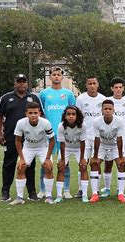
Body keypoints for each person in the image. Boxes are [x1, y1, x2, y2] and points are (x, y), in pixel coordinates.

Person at [0, 74, 41, 202]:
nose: (21, 84)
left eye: (24, 82)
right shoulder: (6, 98)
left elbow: (41, 115)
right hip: (11, 137)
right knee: (8, 164)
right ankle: (5, 192)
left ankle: (32, 192)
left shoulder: (33, 97)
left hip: (29, 138)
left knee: (30, 165)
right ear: (15, 83)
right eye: (19, 82)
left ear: (27, 83)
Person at [38, 66, 76, 199]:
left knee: (64, 162)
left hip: (63, 133)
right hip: (47, 133)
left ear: (62, 77)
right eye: (54, 74)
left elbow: (73, 111)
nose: (56, 77)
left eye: (58, 75)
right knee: (45, 161)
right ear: (50, 77)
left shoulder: (68, 93)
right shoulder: (43, 93)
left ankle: (66, 189)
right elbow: (40, 112)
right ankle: (42, 189)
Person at [10, 102, 55, 205]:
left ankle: (48, 196)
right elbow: (17, 140)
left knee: (48, 167)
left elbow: (52, 140)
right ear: (26, 114)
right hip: (28, 147)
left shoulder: (45, 123)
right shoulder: (21, 123)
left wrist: (48, 158)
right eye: (30, 113)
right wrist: (21, 158)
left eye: (35, 112)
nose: (33, 115)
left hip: (42, 147)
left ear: (39, 113)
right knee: (21, 167)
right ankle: (19, 197)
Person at [89, 99, 125, 203]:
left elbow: (119, 139)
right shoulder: (96, 121)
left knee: (122, 164)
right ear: (102, 110)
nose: (108, 111)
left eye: (110, 109)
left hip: (115, 145)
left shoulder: (119, 121)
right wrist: (95, 156)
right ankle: (95, 194)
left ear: (113, 110)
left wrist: (120, 156)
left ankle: (121, 194)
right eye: (105, 109)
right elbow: (96, 139)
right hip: (101, 145)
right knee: (94, 164)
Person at [75, 75, 106, 196]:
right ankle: (81, 189)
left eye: (94, 83)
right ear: (86, 85)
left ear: (98, 85)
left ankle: (96, 189)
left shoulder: (103, 99)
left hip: (98, 137)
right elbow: (78, 117)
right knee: (82, 163)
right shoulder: (81, 99)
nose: (92, 86)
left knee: (96, 163)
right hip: (84, 137)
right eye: (90, 84)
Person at [102, 77, 125, 198]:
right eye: (116, 87)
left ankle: (121, 190)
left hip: (122, 137)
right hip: (108, 137)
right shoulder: (107, 101)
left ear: (123, 88)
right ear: (112, 89)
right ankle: (107, 189)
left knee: (122, 163)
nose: (118, 89)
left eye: (120, 87)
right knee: (108, 163)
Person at [55, 106, 89, 203]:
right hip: (66, 148)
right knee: (61, 168)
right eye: (68, 114)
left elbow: (83, 142)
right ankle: (58, 195)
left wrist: (82, 158)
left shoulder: (83, 125)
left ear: (77, 116)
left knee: (83, 167)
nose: (71, 116)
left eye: (73, 114)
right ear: (65, 116)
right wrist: (62, 159)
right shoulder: (61, 126)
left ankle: (85, 195)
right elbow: (61, 143)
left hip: (79, 148)